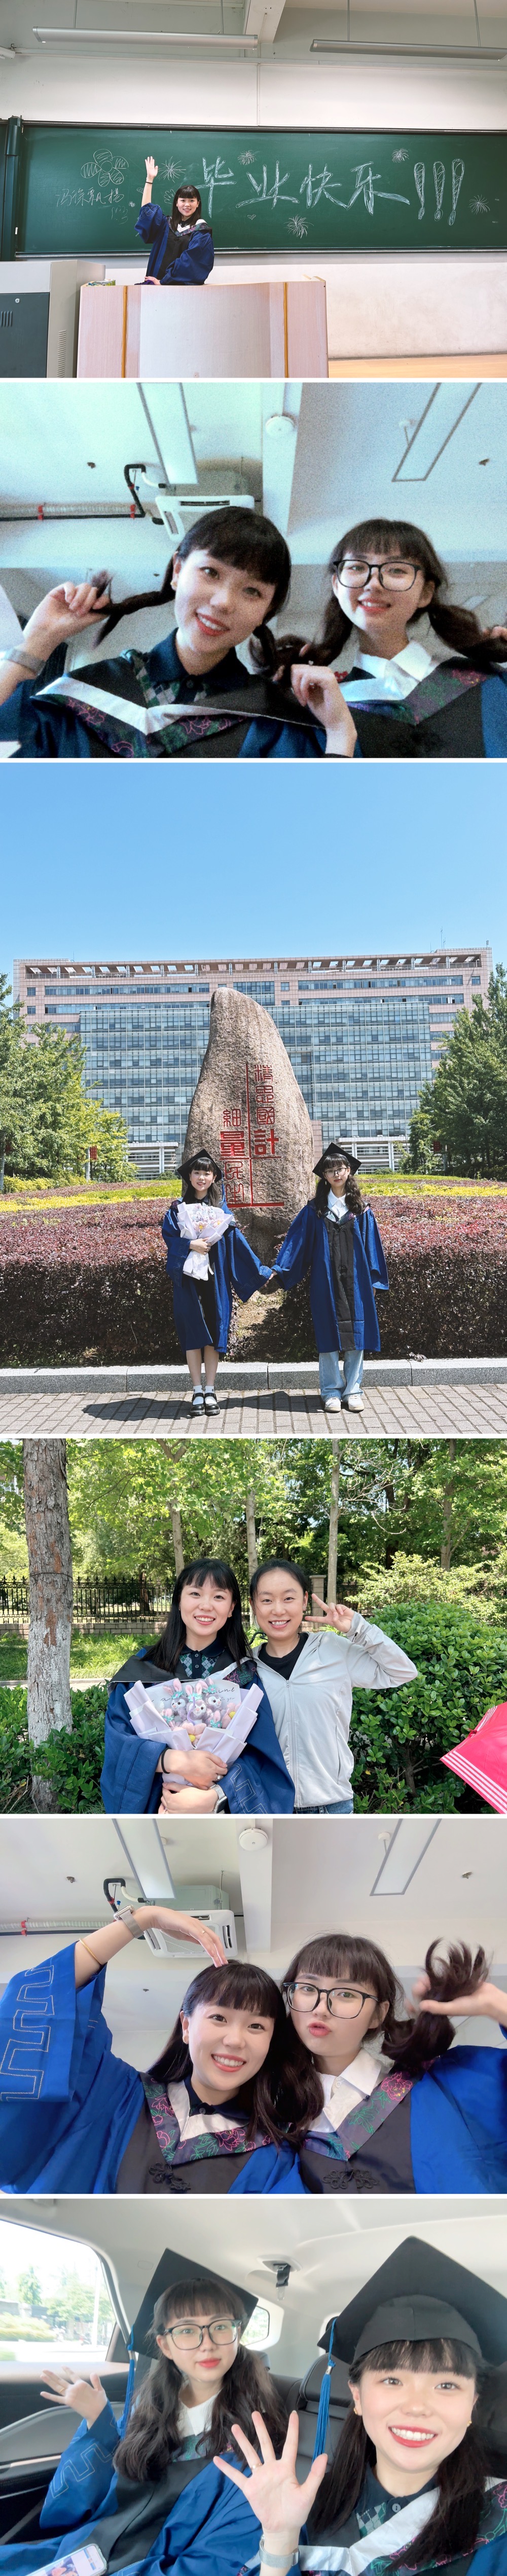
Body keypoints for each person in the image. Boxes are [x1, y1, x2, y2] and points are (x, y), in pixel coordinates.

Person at [217, 2235, 507, 2570]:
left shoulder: (496, 2522)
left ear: (473, 2403)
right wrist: (281, 2537)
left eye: (446, 2385)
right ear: (357, 2396)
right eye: (392, 2380)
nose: (417, 2407)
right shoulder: (308, 2502)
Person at [0, 2258, 287, 2576]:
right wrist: (98, 2422)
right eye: (187, 2331)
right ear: (165, 2345)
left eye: (220, 2326)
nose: (207, 2345)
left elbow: (219, 2558)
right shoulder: (147, 2409)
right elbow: (74, 2509)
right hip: (82, 2554)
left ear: (238, 2333)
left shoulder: (254, 2440)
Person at [0, 1930, 317, 2196]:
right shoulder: (115, 2093)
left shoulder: (274, 2159)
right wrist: (139, 1921)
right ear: (187, 2026)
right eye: (219, 2018)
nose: (235, 2040)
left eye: (256, 2026)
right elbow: (51, 2005)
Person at [0, 507, 325, 762]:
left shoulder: (273, 721)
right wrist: (36, 641)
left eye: (253, 591)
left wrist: (339, 730)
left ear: (267, 612)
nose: (224, 602)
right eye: (211, 572)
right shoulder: (87, 693)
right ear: (178, 570)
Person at [237, 1927, 507, 2194]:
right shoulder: (273, 2120)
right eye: (308, 1988)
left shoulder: (446, 2086)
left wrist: (500, 2008)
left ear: (379, 2014)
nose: (320, 2008)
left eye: (346, 1993)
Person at [276, 513, 507, 759]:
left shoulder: (489, 685)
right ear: (337, 585)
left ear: (426, 593)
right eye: (357, 567)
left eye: (396, 570)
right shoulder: (319, 706)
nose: (373, 584)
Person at [100, 1554, 295, 1815]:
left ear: (232, 1608)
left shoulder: (242, 1674)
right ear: (179, 1601)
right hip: (159, 1811)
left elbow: (262, 1756)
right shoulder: (142, 1669)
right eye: (195, 1594)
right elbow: (118, 1744)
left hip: (221, 1816)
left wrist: (216, 1796)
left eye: (218, 1596)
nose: (206, 1606)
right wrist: (170, 1761)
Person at [248, 1558, 417, 1815]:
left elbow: (402, 1672)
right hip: (267, 1807)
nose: (278, 1610)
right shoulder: (246, 1668)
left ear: (305, 1600)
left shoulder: (333, 1650)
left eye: (289, 1598)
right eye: (267, 1600)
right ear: (254, 1606)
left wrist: (358, 1629)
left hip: (331, 1806)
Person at [273, 1144, 389, 1414]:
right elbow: (297, 1244)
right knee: (328, 1335)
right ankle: (331, 1391)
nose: (336, 1173)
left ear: (349, 1171)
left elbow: (372, 1248)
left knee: (357, 1334)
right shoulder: (314, 1210)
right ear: (324, 1176)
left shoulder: (361, 1210)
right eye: (330, 1170)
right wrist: (280, 1270)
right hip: (325, 1282)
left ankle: (353, 1391)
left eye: (341, 1168)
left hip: (357, 1283)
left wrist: (374, 1281)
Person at [161, 1149, 272, 1412]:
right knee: (193, 1333)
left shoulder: (221, 1211)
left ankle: (210, 1390)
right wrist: (191, 1244)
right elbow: (169, 1239)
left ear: (214, 1178)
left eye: (207, 1173)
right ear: (189, 1176)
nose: (201, 1178)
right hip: (188, 1279)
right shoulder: (177, 1209)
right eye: (197, 1172)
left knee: (214, 1331)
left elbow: (236, 1243)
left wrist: (261, 1271)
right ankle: (196, 1391)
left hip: (214, 1278)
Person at [135, 160, 214, 284]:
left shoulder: (201, 231)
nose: (187, 205)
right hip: (156, 286)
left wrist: (165, 281)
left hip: (182, 289)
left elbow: (191, 261)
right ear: (177, 203)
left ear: (198, 204)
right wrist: (149, 180)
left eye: (192, 201)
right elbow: (147, 212)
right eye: (183, 200)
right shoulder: (165, 225)